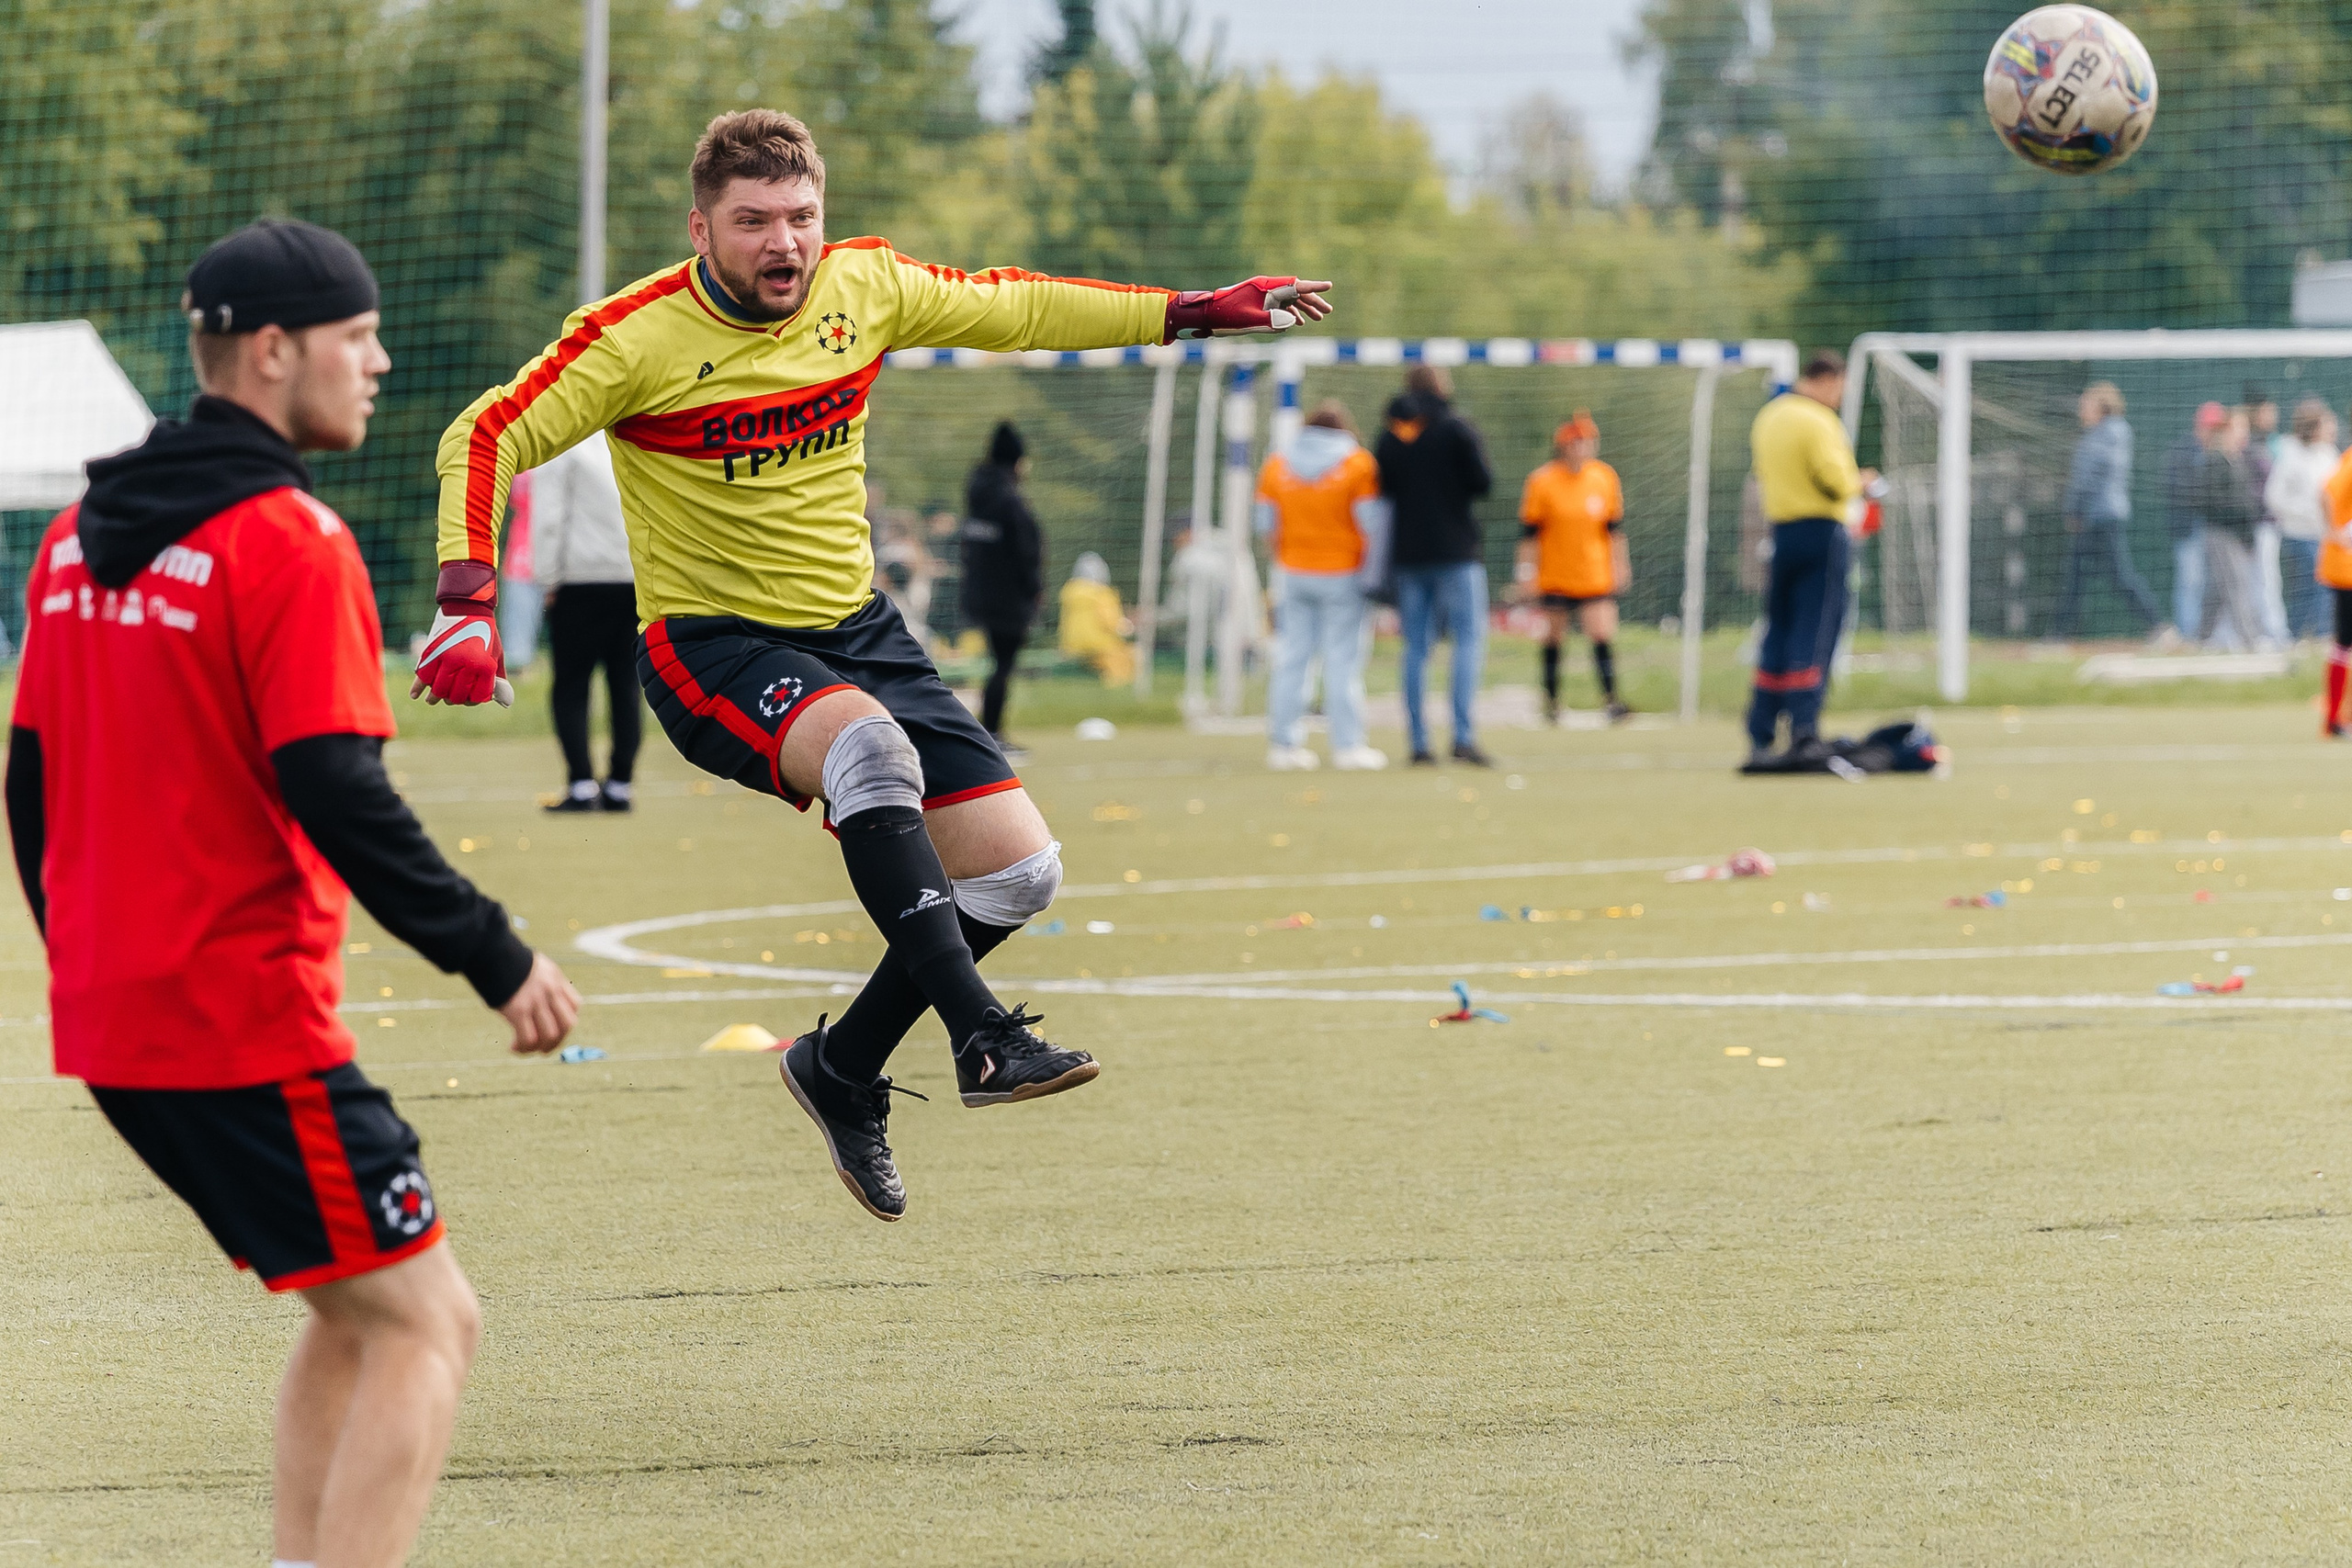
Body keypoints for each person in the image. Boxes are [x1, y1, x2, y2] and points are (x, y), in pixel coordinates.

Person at [413, 108, 1332, 1222]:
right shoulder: (632, 338)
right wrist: (467, 602)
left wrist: (1188, 311)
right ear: (700, 227)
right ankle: (983, 1036)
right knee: (870, 751)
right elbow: (484, 430)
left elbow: (1019, 303)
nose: (782, 243)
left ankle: (839, 1068)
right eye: (752, 221)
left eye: (800, 216)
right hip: (711, 647)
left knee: (1018, 876)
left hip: (859, 633)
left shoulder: (868, 288)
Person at [7, 220, 581, 1568]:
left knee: (353, 1306)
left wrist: (92, 955)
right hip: (240, 1020)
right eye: (357, 336)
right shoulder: (292, 541)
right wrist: (496, 955)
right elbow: (339, 789)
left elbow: (27, 786)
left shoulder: (79, 538)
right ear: (273, 351)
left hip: (114, 1020)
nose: (379, 362)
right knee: (432, 1318)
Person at [1742, 350, 1875, 768]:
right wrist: (1862, 483)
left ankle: (1761, 729)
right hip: (1821, 532)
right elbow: (1836, 481)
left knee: (1778, 629)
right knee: (1815, 629)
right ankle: (1804, 728)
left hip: (1781, 532)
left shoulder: (1769, 417)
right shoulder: (1818, 421)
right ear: (1829, 380)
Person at [1256, 399, 1388, 771]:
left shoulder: (1277, 464)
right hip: (1344, 573)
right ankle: (1347, 745)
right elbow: (1370, 523)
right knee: (1342, 661)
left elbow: (1266, 526)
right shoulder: (1358, 464)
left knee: (1292, 658)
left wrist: (1285, 559)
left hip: (1294, 571)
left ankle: (1283, 745)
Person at [1374, 364, 1495, 766]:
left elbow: (1383, 487)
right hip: (1456, 551)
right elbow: (1483, 482)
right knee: (1467, 639)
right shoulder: (1456, 428)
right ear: (1442, 386)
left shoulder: (1392, 435)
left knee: (1416, 647)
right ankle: (1462, 736)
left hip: (1408, 555)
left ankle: (1419, 743)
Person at [531, 429, 640, 813]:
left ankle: (581, 784)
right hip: (633, 577)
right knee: (625, 685)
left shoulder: (563, 444)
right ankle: (620, 785)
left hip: (578, 580)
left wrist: (546, 577)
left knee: (571, 686)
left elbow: (548, 518)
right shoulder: (633, 435)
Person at [1516, 411, 1631, 723]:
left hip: (1593, 573)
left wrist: (1620, 565)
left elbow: (1614, 530)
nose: (1584, 448)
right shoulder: (1542, 481)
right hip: (1555, 574)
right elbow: (1529, 536)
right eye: (1577, 442)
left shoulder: (1604, 477)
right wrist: (1525, 574)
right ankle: (1552, 703)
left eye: (1589, 442)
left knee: (1601, 633)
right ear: (1564, 445)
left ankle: (1611, 701)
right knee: (1553, 638)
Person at [960, 422, 1043, 750]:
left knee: (997, 664)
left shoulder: (978, 496)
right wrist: (1034, 590)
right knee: (1003, 666)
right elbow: (1026, 553)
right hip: (1007, 601)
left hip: (979, 594)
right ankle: (992, 733)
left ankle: (988, 731)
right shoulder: (1011, 502)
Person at [2056, 381, 2158, 639]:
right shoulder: (2111, 433)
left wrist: (2075, 510)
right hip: (2098, 515)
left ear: (2102, 407)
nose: (2082, 410)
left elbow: (2089, 477)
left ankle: (2157, 624)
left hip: (2101, 517)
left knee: (2117, 576)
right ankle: (2060, 633)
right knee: (2078, 578)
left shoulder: (2106, 434)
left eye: (2087, 404)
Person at [2267, 398, 2338, 641]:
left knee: (2320, 588)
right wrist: (2308, 512)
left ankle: (2308, 635)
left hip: (2325, 535)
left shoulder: (2329, 454)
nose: (2332, 427)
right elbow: (2273, 497)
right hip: (2298, 535)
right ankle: (2310, 635)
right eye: (2326, 423)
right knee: (2315, 586)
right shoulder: (2290, 455)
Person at [2201, 409, 2267, 651]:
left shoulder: (2237, 459)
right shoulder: (2215, 460)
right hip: (2221, 533)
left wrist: (2247, 533)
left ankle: (2201, 636)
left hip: (2238, 534)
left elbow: (2246, 501)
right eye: (2238, 429)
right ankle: (2251, 640)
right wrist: (2238, 519)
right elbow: (2212, 502)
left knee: (2217, 590)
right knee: (2235, 585)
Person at [2162, 403, 2224, 646]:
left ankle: (2207, 635)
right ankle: (2188, 634)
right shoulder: (2182, 451)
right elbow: (2175, 488)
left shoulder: (2219, 453)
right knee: (2190, 582)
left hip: (2213, 529)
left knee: (2214, 582)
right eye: (2210, 427)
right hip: (2189, 527)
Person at [2245, 386, 2290, 644]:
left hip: (2272, 523)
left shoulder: (2275, 442)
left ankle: (2273, 631)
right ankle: (2271, 632)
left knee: (2267, 578)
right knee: (2262, 580)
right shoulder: (2250, 445)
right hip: (2256, 524)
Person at [1057, 550, 1136, 686]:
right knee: (1131, 654)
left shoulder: (1069, 593)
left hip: (1071, 644)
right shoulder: (1102, 594)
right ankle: (1116, 684)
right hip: (1099, 644)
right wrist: (1127, 627)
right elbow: (1111, 622)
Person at [2317, 437, 2352, 736]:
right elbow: (2327, 492)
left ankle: (2338, 718)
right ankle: (2334, 719)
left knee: (2345, 643)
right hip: (2346, 568)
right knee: (2344, 641)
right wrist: (2335, 533)